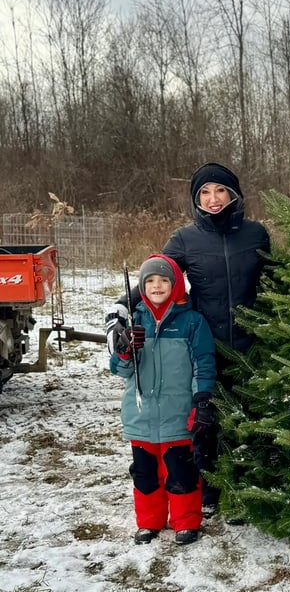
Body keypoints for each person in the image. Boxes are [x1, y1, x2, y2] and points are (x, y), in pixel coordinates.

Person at [106, 163, 271, 516]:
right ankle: (209, 487)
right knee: (204, 417)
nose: (213, 199)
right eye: (205, 193)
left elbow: (274, 281)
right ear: (196, 200)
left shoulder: (256, 235)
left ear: (234, 195)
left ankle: (243, 490)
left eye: (220, 191)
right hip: (203, 342)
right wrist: (122, 308)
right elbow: (159, 276)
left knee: (245, 418)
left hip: (251, 344)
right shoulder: (185, 239)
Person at [110, 254, 217, 545]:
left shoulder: (192, 322)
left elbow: (203, 363)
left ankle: (185, 522)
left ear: (177, 284)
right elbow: (121, 371)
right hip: (141, 417)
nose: (157, 286)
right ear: (142, 287)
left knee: (180, 472)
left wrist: (202, 401)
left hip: (178, 415)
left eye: (164, 280)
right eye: (150, 281)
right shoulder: (135, 322)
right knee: (145, 474)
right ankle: (149, 522)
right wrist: (124, 351)